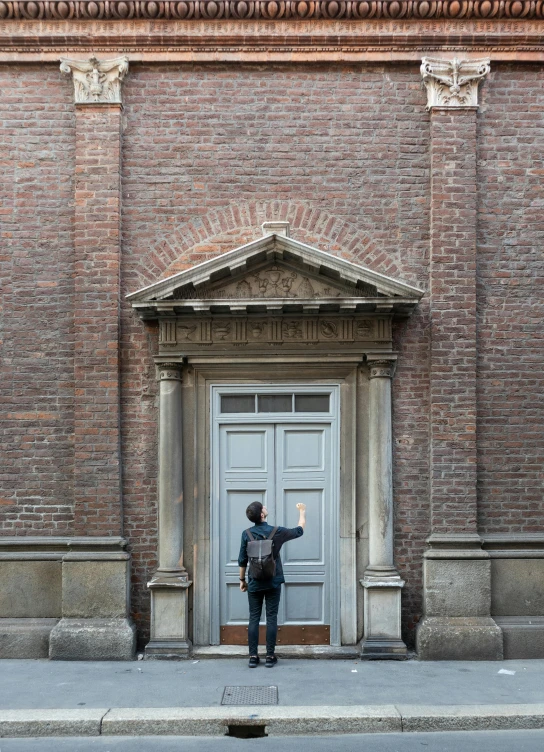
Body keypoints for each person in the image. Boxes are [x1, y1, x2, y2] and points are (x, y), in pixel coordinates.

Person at [238, 501, 307, 668]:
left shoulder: (246, 534)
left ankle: (253, 657)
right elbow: (299, 531)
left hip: (254, 582)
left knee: (253, 618)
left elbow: (242, 560)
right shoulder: (277, 532)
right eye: (263, 507)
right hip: (273, 581)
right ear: (262, 514)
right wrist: (302, 512)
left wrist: (242, 581)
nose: (265, 508)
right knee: (271, 618)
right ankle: (270, 656)